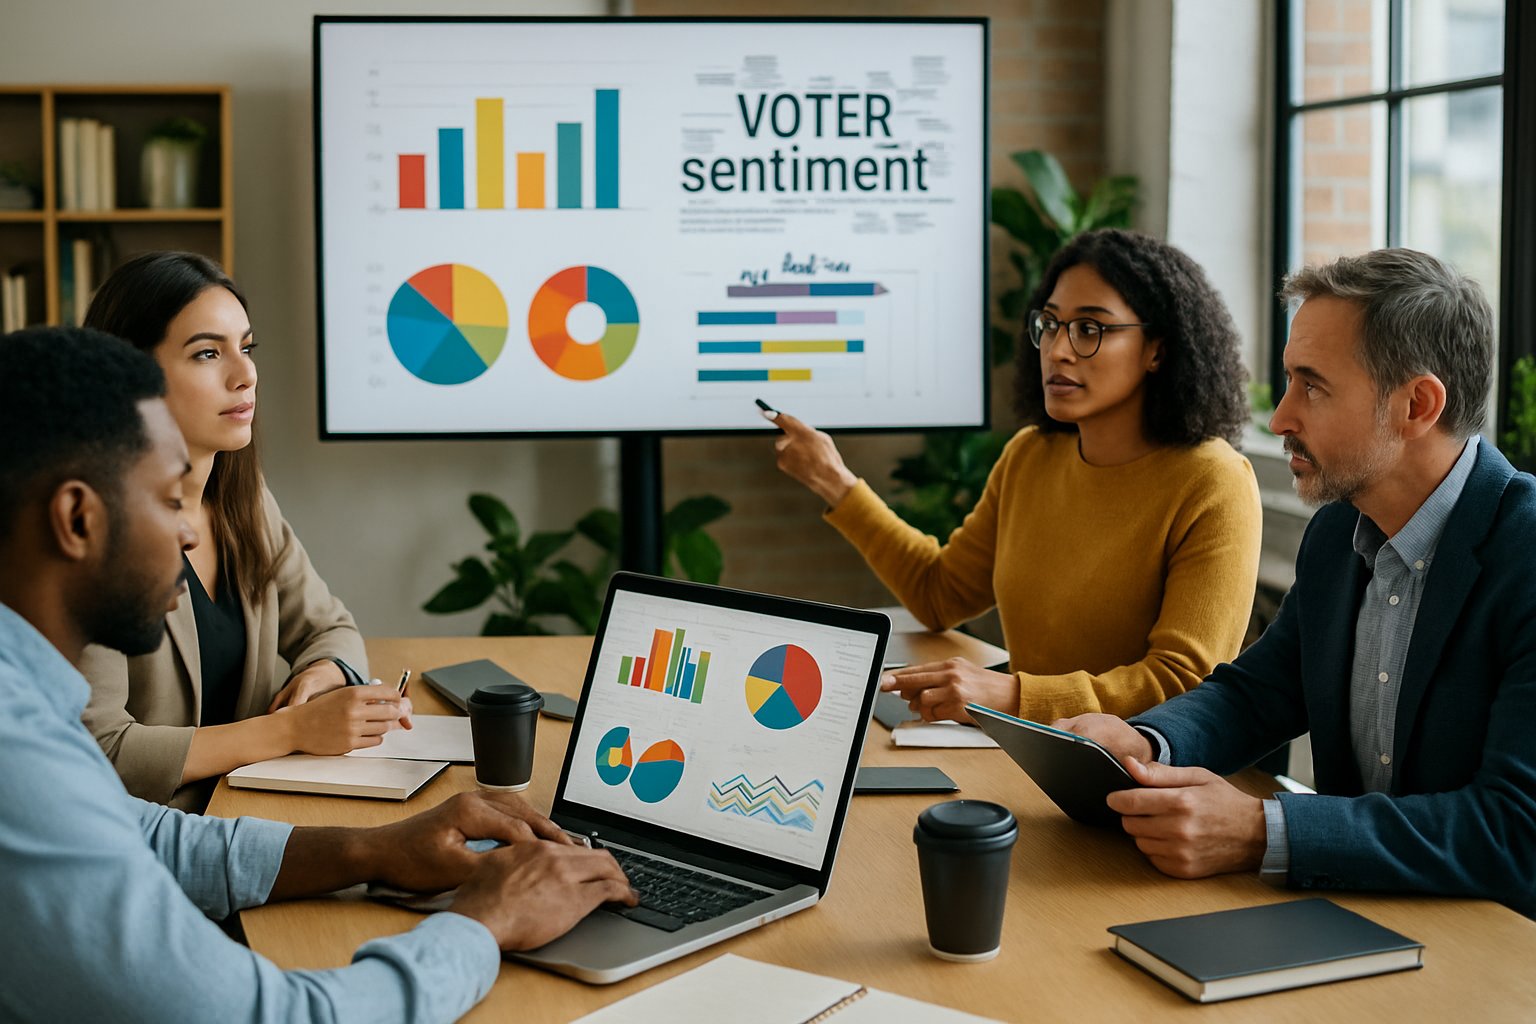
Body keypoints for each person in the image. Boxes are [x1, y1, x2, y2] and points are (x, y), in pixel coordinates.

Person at [0, 325, 635, 1021]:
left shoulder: (23, 704)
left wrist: (373, 850)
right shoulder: (17, 756)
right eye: (165, 498)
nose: (188, 532)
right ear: (77, 519)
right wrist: (485, 924)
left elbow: (140, 835)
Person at [1060, 248, 1536, 917]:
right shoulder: (1339, 533)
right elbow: (1259, 694)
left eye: (1311, 385)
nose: (1280, 417)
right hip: (1354, 918)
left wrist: (1263, 830)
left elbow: (1517, 834)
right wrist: (1144, 741)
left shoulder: (1526, 552)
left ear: (1417, 404)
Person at [769, 228, 1262, 724]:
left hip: (1143, 779)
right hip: (1023, 754)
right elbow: (940, 593)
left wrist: (1011, 696)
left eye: (1090, 329)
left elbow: (1182, 684)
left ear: (1157, 349)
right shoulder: (1031, 455)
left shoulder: (1214, 482)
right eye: (1050, 324)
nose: (1058, 350)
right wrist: (833, 480)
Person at [78, 252, 391, 811]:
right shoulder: (89, 532)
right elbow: (99, 750)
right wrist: (291, 731)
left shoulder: (243, 499)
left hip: (245, 811)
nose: (245, 374)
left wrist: (322, 676)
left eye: (245, 348)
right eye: (207, 353)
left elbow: (330, 627)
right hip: (148, 843)